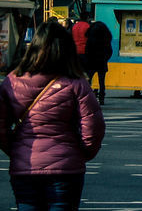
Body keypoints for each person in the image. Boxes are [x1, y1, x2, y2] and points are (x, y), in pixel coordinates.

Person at [0, 20, 105, 211]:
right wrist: (82, 152)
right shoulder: (76, 83)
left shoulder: (11, 81)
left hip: (25, 166)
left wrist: (14, 149)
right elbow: (93, 126)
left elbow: (1, 126)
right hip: (66, 166)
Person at [83, 19, 112, 105]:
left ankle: (87, 96)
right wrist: (105, 59)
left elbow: (87, 50)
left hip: (91, 62)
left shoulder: (90, 38)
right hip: (102, 62)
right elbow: (109, 51)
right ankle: (101, 97)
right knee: (101, 81)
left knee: (88, 80)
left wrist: (88, 59)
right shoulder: (106, 39)